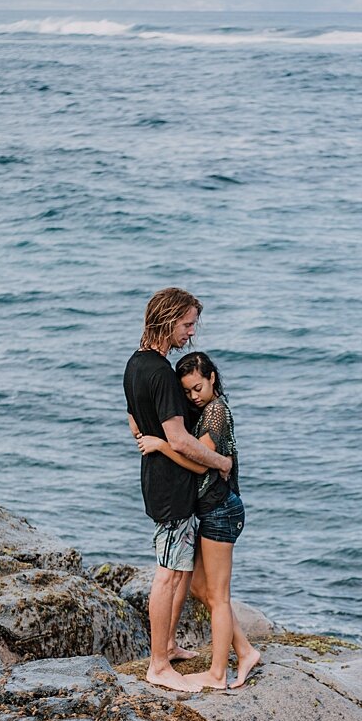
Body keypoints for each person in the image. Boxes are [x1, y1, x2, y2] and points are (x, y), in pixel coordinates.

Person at [124, 289, 232, 692]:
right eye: (187, 324)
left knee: (181, 569)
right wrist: (220, 461)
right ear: (168, 320)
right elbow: (181, 439)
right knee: (168, 576)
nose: (191, 334)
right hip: (171, 486)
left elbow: (132, 420)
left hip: (156, 477)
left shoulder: (136, 365)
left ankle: (167, 646)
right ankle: (157, 666)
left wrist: (147, 437)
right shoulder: (162, 374)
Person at [137, 351, 261, 690]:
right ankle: (246, 651)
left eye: (197, 388)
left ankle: (218, 673)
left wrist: (161, 446)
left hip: (222, 509)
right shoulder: (203, 410)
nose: (193, 396)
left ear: (212, 379)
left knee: (218, 595)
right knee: (200, 588)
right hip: (210, 510)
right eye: (187, 391)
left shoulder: (217, 412)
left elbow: (201, 464)